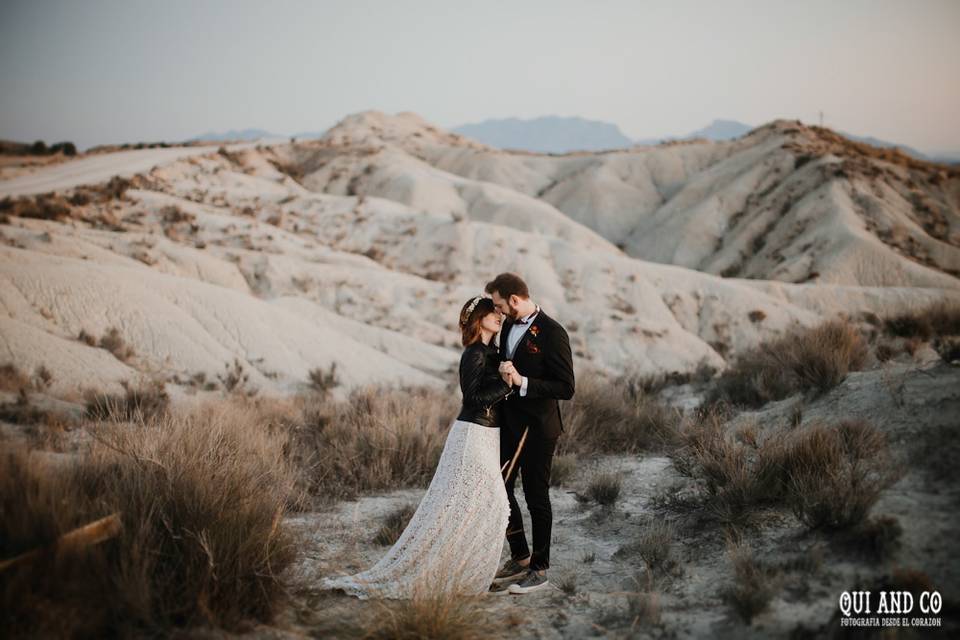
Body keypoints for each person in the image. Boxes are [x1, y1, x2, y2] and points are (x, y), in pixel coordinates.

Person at [320, 296, 519, 599]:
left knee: (476, 505)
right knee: (492, 499)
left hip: (489, 436)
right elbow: (474, 399)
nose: (498, 315)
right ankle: (450, 570)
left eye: (498, 311)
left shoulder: (492, 352)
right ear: (477, 318)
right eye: (491, 312)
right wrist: (508, 384)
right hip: (472, 435)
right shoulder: (474, 353)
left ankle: (461, 570)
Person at [485, 272, 575, 595]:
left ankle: (540, 569)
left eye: (498, 304)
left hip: (539, 428)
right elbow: (505, 361)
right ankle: (520, 556)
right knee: (500, 487)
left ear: (514, 300)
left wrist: (523, 382)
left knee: (536, 496)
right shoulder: (507, 325)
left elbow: (566, 387)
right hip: (510, 424)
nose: (495, 311)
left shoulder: (553, 333)